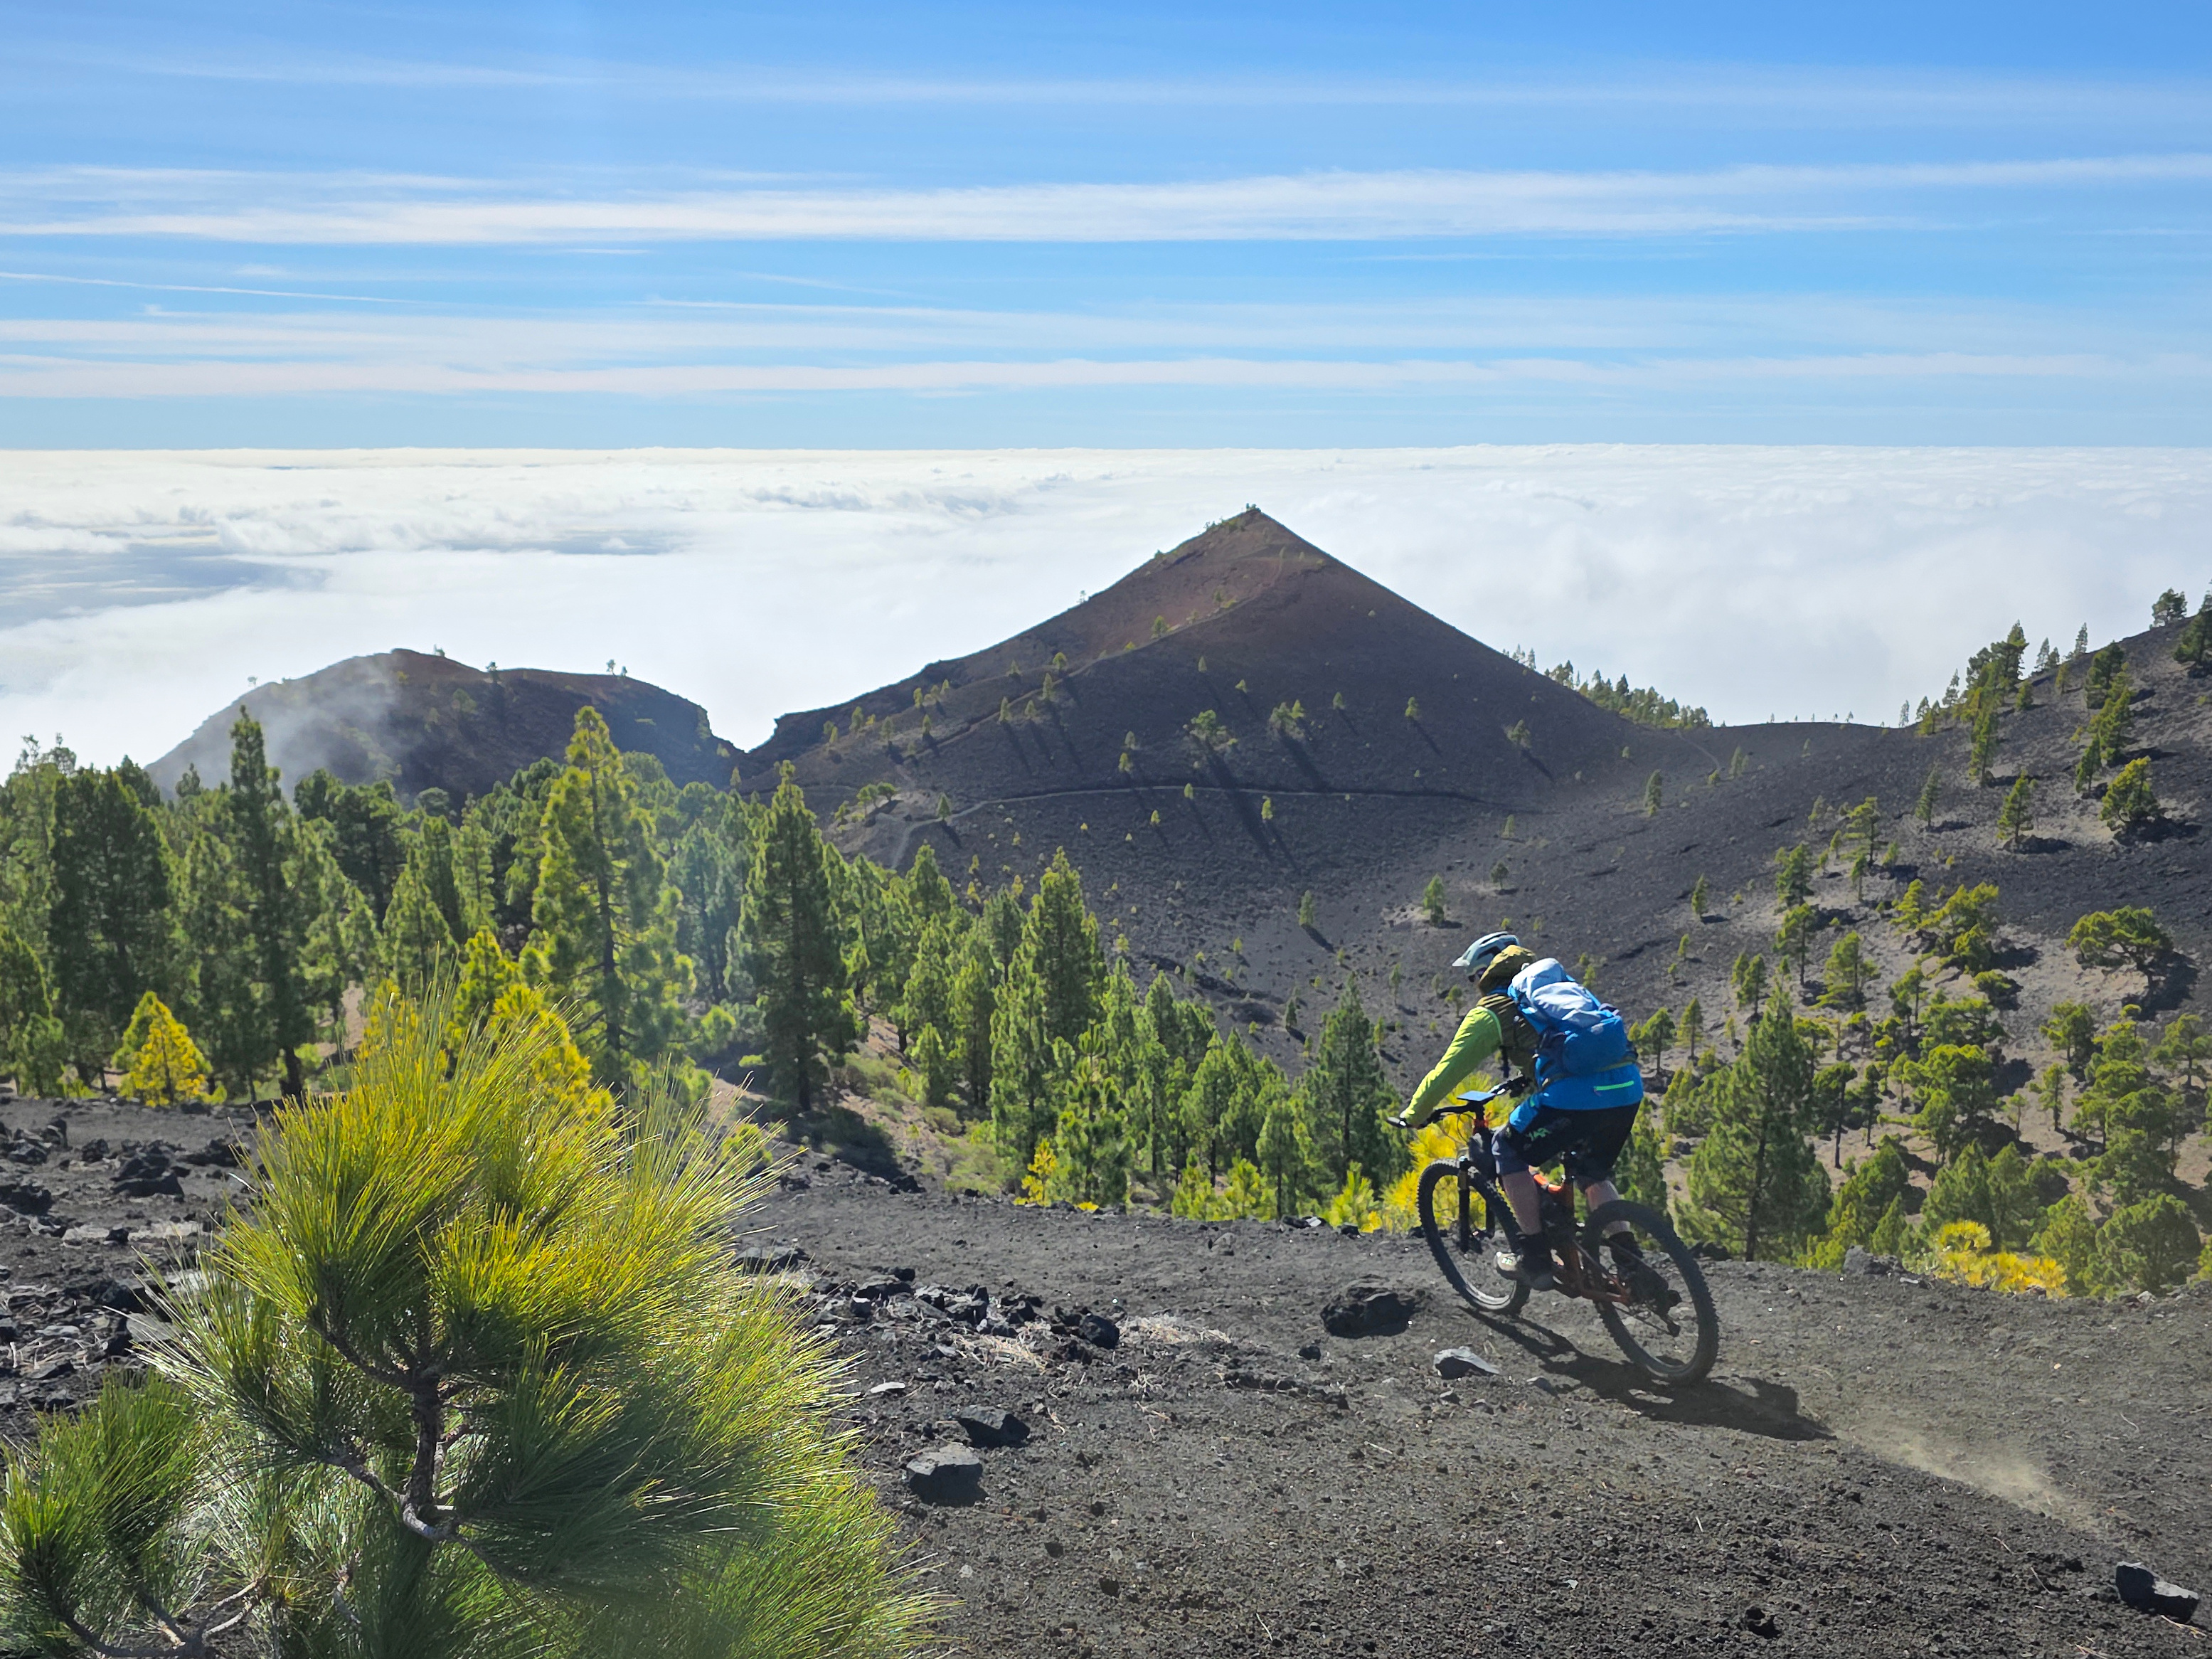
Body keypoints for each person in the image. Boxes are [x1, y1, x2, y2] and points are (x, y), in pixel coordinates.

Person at [1393, 931, 1645, 1291]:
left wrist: (1415, 1114)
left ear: (1483, 972)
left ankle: (1535, 1256)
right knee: (1592, 1173)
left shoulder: (1493, 1009)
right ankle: (1633, 1267)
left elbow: (1447, 1071)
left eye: (1472, 977)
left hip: (1574, 1096)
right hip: (1627, 1086)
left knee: (1506, 1149)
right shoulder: (1558, 986)